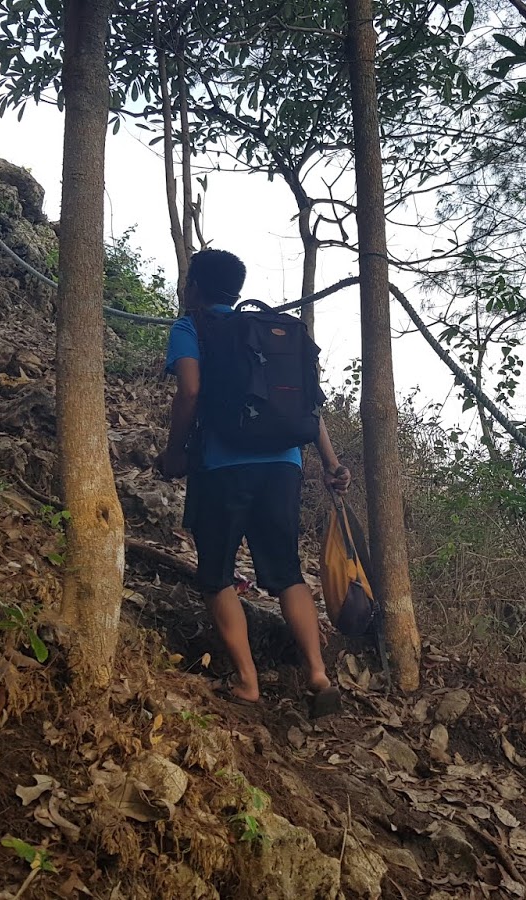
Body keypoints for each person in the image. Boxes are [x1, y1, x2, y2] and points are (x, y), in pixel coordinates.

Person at [154, 249, 352, 717]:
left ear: (194, 286)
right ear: (237, 289)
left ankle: (247, 683)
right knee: (286, 572)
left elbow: (190, 390)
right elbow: (307, 408)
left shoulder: (192, 327)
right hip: (284, 466)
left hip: (222, 466)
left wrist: (176, 451)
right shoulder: (274, 332)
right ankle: (318, 674)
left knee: (217, 574)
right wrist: (330, 462)